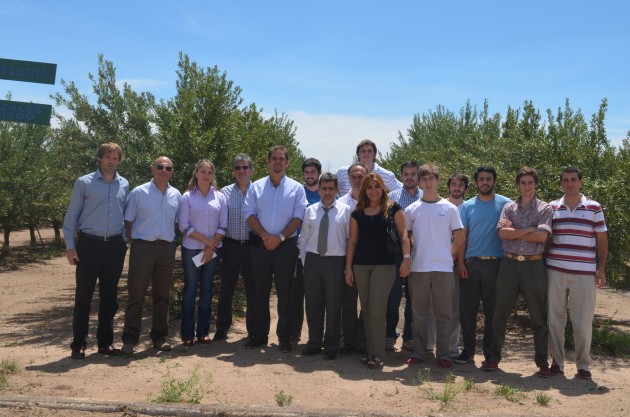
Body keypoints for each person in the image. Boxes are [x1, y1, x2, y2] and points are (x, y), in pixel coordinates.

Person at [484, 167, 552, 377]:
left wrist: (516, 232)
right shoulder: (509, 207)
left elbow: (542, 238)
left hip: (533, 266)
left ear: (536, 184)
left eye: (530, 182)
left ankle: (542, 363)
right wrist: (529, 229)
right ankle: (493, 359)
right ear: (518, 185)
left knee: (539, 316)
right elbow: (503, 234)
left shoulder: (545, 208)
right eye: (523, 182)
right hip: (509, 265)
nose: (527, 186)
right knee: (499, 314)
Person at [63, 142, 128, 359]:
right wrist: (70, 247)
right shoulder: (84, 183)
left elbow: (125, 216)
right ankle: (79, 344)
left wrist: (124, 242)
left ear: (120, 160)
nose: (112, 161)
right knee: (84, 297)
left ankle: (105, 343)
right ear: (99, 159)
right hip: (89, 245)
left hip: (115, 246)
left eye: (116, 158)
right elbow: (71, 216)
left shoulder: (124, 184)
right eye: (108, 157)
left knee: (110, 298)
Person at [243, 145, 307, 352]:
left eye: (282, 159)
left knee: (285, 293)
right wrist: (264, 236)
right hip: (261, 245)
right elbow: (249, 214)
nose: (278, 162)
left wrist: (279, 237)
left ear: (287, 163)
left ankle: (284, 337)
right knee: (259, 293)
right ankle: (259, 335)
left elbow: (299, 217)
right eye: (274, 159)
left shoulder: (297, 188)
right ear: (268, 162)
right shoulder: (256, 187)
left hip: (286, 246)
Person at [547, 167, 608, 379]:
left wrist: (601, 268)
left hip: (584, 272)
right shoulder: (553, 207)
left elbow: (601, 239)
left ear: (581, 182)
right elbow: (547, 238)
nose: (570, 183)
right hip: (555, 270)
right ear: (561, 183)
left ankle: (583, 365)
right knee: (554, 319)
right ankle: (557, 362)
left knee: (582, 321)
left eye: (574, 180)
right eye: (565, 180)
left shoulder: (594, 207)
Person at [345, 173, 411, 369]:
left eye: (376, 186)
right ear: (364, 190)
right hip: (360, 266)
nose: (373, 190)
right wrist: (348, 268)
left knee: (377, 309)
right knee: (365, 308)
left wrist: (406, 259)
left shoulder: (393, 209)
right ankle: (368, 349)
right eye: (369, 187)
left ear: (382, 187)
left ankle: (376, 353)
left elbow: (404, 235)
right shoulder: (357, 213)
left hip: (385, 266)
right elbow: (352, 242)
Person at [404, 164, 464, 369]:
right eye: (424, 179)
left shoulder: (449, 208)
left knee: (444, 314)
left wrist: (450, 255)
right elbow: (407, 235)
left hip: (444, 269)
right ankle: (420, 352)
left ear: (438, 180)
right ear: (419, 182)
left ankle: (444, 354)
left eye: (432, 179)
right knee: (419, 313)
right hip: (419, 268)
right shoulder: (411, 209)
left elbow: (460, 236)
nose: (428, 183)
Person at [121, 157, 182, 354]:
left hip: (166, 249)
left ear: (172, 171)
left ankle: (159, 337)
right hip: (143, 248)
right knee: (136, 294)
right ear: (152, 169)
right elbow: (128, 222)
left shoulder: (176, 195)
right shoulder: (139, 192)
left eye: (168, 167)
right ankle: (130, 339)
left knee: (162, 295)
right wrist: (137, 243)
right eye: (160, 166)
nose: (164, 170)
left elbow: (177, 222)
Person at [454, 167, 510, 365]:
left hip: (497, 265)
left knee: (493, 313)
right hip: (471, 264)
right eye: (481, 179)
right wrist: (460, 263)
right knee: (467, 311)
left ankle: (491, 356)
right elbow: (462, 237)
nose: (485, 182)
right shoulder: (467, 207)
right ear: (476, 183)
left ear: (495, 181)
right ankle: (468, 352)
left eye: (488, 179)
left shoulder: (506, 204)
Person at [298, 173, 351, 360]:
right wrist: (305, 262)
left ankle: (331, 346)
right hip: (313, 260)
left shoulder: (346, 211)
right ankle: (313, 343)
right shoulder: (310, 210)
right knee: (313, 304)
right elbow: (303, 239)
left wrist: (347, 266)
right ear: (319, 190)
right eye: (324, 188)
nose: (327, 192)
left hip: (335, 262)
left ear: (337, 190)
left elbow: (349, 240)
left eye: (331, 189)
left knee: (334, 305)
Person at [178, 160, 227, 346]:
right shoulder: (187, 197)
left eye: (209, 172)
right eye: (202, 171)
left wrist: (211, 246)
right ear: (196, 173)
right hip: (191, 248)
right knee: (191, 289)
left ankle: (203, 332)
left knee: (207, 289)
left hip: (213, 250)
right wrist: (207, 242)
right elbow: (183, 225)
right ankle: (187, 334)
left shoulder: (220, 197)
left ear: (213, 175)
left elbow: (223, 225)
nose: (206, 175)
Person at [215, 154, 256, 341]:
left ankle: (253, 329)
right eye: (238, 168)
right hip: (231, 246)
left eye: (245, 167)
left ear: (251, 170)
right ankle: (222, 328)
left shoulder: (259, 191)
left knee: (253, 290)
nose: (241, 171)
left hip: (253, 247)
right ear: (233, 172)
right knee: (226, 290)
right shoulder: (224, 192)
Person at [385, 161, 423, 352]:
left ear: (418, 176)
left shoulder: (426, 197)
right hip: (396, 254)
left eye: (413, 174)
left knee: (414, 298)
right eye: (406, 174)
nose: (409, 177)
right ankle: (389, 334)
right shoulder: (391, 198)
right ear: (401, 176)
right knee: (393, 297)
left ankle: (409, 337)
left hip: (420, 254)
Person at [291, 158, 322, 342]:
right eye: (307, 172)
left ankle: (316, 335)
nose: (310, 176)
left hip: (318, 250)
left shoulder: (327, 192)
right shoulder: (298, 192)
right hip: (297, 247)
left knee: (316, 295)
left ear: (319, 173)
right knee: (296, 292)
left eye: (313, 172)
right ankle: (294, 332)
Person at [338, 163, 368, 354]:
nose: (357, 180)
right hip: (345, 259)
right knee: (347, 303)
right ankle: (348, 341)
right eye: (354, 176)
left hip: (368, 259)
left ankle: (363, 341)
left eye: (361, 176)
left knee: (367, 303)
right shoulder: (340, 203)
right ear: (348, 179)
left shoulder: (374, 201)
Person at [336, 139, 402, 195]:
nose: (366, 153)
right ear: (358, 154)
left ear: (374, 155)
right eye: (363, 151)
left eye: (369, 151)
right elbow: (328, 188)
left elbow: (402, 190)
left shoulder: (386, 175)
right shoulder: (343, 172)